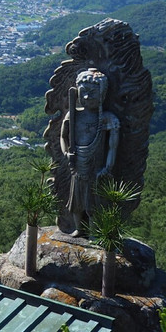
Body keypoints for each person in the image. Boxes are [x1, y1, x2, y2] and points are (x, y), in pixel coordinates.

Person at [59, 69, 119, 235]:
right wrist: (66, 153)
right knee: (76, 201)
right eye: (83, 92)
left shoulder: (107, 119)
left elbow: (113, 146)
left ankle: (93, 231)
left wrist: (108, 167)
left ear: (102, 94)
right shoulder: (73, 115)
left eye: (93, 93)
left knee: (93, 201)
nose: (86, 97)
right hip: (77, 165)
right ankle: (78, 228)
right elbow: (63, 136)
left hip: (96, 166)